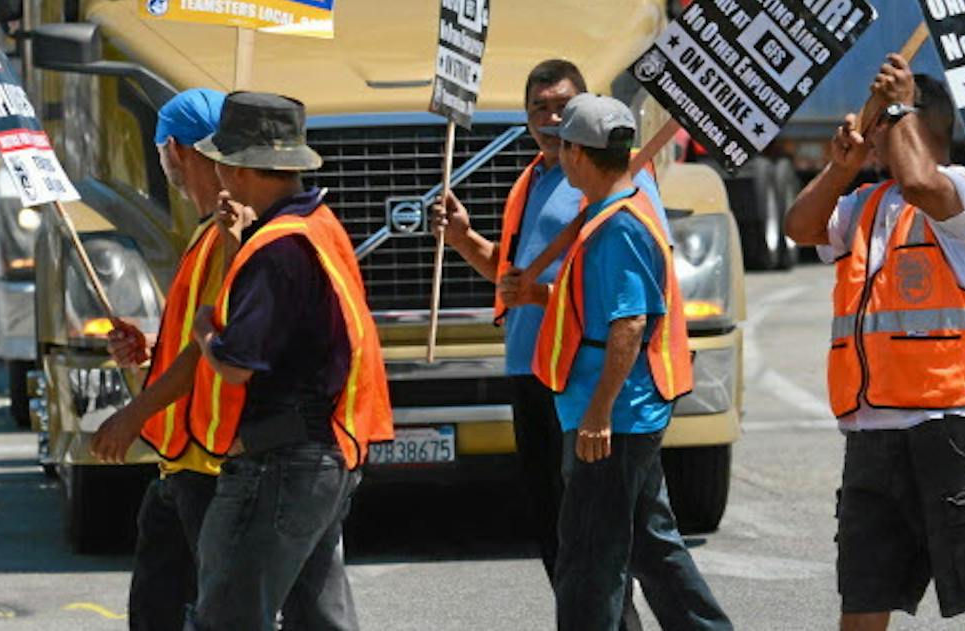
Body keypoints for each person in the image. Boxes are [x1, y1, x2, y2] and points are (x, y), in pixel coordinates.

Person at [784, 56, 965, 631]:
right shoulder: (867, 203)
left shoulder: (963, 195)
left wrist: (900, 105)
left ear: (924, 128)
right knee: (865, 585)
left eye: (886, 124)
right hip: (872, 424)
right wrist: (842, 169)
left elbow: (920, 180)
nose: (872, 131)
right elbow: (801, 226)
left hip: (948, 416)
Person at [430, 59, 664, 612]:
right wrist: (465, 241)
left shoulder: (610, 182)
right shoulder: (531, 180)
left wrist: (538, 298)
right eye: (540, 107)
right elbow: (514, 276)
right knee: (557, 531)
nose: (552, 117)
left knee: (601, 540)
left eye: (563, 106)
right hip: (528, 368)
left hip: (577, 376)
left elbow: (622, 298)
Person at [524, 94, 730, 631]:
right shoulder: (610, 213)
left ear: (576, 153)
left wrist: (597, 414)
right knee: (649, 546)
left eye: (563, 143)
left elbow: (629, 325)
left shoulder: (617, 225)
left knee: (590, 561)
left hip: (613, 420)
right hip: (621, 414)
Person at [189, 92, 393, 631]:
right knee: (317, 616)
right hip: (325, 452)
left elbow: (238, 363)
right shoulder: (315, 223)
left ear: (242, 167)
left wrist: (205, 329)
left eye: (221, 162)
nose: (217, 173)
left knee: (228, 615)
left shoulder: (277, 249)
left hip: (281, 461)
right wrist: (237, 247)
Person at [88, 89, 229, 631]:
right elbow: (193, 339)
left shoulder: (225, 235)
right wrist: (148, 349)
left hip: (210, 461)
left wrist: (132, 414)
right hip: (182, 462)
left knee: (210, 608)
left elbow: (210, 346)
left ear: (173, 149)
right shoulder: (207, 233)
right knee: (159, 603)